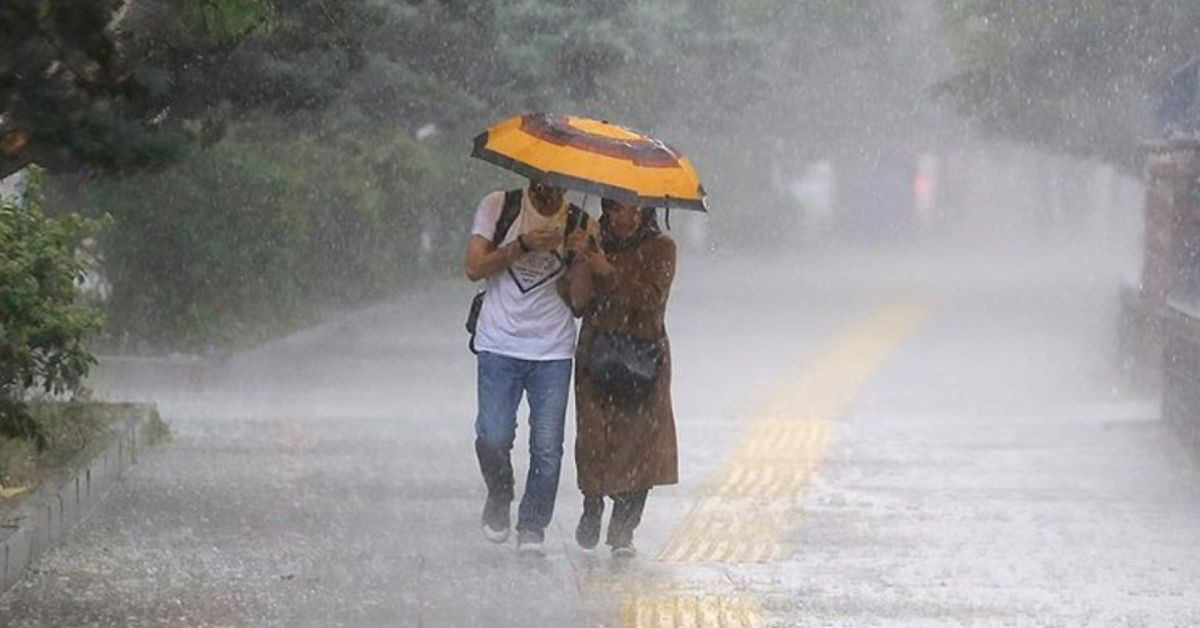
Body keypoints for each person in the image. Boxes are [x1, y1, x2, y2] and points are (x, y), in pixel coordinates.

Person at [464, 179, 594, 556]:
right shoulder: (498, 205)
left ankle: (533, 524)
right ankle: (500, 492)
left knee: (547, 445)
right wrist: (522, 246)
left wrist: (579, 257)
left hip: (552, 349)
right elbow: (473, 268)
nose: (551, 195)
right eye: (544, 185)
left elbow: (581, 303)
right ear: (533, 177)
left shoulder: (580, 221)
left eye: (559, 187)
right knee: (493, 435)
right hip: (499, 343)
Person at [559, 197, 678, 557]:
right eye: (618, 208)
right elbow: (576, 303)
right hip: (598, 351)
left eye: (635, 209)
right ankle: (592, 502)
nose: (626, 216)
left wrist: (607, 270)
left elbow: (650, 298)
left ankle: (624, 529)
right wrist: (578, 259)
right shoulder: (593, 238)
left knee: (641, 445)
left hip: (643, 354)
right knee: (595, 435)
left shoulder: (662, 247)